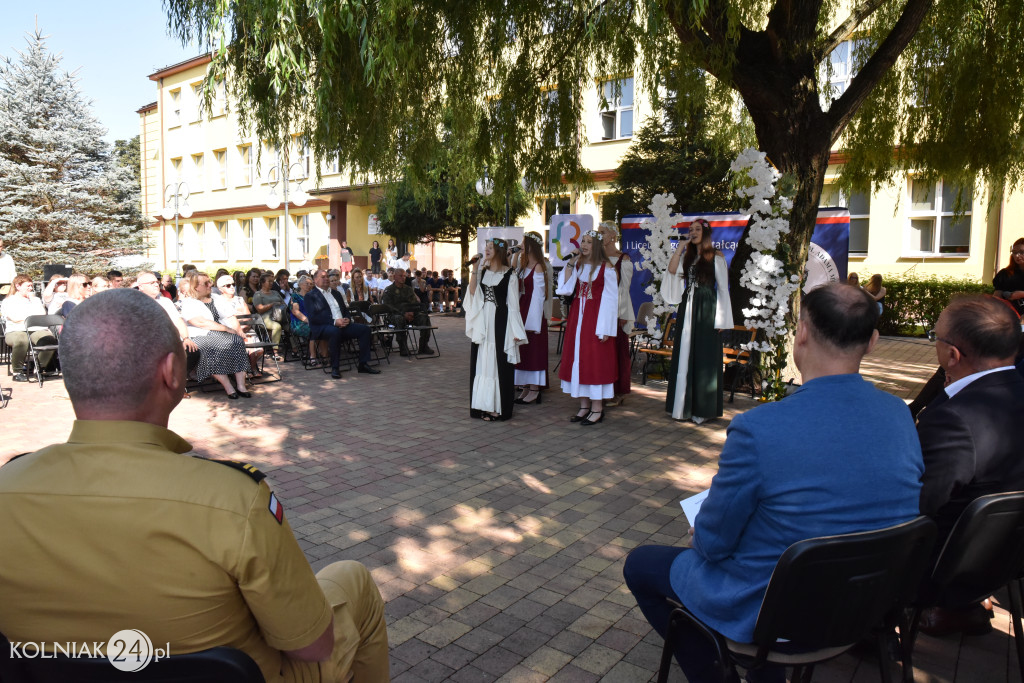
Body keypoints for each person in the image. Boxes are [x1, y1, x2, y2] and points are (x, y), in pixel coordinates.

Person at [0, 289, 389, 682]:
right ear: (171, 372)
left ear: (71, 375)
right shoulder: (233, 498)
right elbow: (312, 646)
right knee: (353, 580)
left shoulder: (7, 486)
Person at [624, 283, 923, 683]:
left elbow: (712, 544)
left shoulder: (759, 427)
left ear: (802, 333)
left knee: (640, 564)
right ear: (872, 341)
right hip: (862, 608)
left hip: (770, 615)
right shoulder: (899, 415)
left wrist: (705, 533)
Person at [915, 295, 1024, 636]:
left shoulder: (954, 418)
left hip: (946, 571)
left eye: (935, 337)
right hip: (1009, 559)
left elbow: (918, 504)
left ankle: (871, 631)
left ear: (952, 355)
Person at [661, 219, 733, 424]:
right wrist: (681, 247)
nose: (693, 232)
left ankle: (702, 408)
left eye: (697, 229)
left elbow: (722, 288)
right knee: (685, 351)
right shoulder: (689, 256)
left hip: (706, 307)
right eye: (691, 229)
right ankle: (682, 406)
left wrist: (722, 319)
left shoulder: (716, 256)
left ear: (706, 233)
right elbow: (672, 271)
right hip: (688, 306)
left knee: (703, 354)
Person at [557, 230, 618, 426]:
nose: (583, 245)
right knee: (578, 358)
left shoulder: (607, 267)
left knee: (594, 360)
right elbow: (565, 288)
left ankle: (597, 408)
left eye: (588, 242)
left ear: (596, 246)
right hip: (578, 316)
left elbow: (611, 299)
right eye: (583, 241)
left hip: (596, 317)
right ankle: (584, 406)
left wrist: (606, 328)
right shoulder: (579, 264)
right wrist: (570, 263)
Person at [465, 238, 526, 421]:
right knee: (483, 363)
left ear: (499, 251)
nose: (487, 249)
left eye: (491, 247)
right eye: (486, 247)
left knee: (497, 363)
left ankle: (497, 408)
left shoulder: (510, 275)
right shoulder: (482, 271)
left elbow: (513, 306)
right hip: (483, 322)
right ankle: (482, 405)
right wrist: (475, 268)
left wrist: (516, 330)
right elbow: (473, 293)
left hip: (500, 323)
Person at [178, 271, 252, 399]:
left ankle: (241, 386)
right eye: (206, 283)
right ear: (196, 287)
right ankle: (228, 387)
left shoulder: (217, 298)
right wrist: (225, 328)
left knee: (237, 341)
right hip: (201, 335)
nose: (210, 285)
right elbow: (199, 322)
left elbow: (230, 316)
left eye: (210, 282)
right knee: (215, 346)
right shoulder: (189, 302)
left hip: (222, 333)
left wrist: (239, 331)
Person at [306, 269, 381, 378]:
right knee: (335, 332)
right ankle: (335, 367)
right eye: (323, 277)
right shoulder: (311, 296)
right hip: (323, 327)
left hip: (342, 324)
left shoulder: (336, 293)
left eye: (327, 276)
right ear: (315, 280)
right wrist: (334, 322)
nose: (326, 279)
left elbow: (345, 310)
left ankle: (363, 364)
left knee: (365, 329)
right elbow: (314, 317)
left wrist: (347, 319)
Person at [134, 271, 201, 380]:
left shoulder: (166, 302)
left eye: (157, 282)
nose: (156, 285)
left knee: (192, 350)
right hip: (147, 343)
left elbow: (178, 321)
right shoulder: (134, 302)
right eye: (151, 283)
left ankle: (177, 381)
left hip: (169, 340)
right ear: (141, 286)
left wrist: (186, 338)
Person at [599, 220, 634, 406]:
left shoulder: (623, 259)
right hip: (600, 311)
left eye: (603, 232)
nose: (600, 236)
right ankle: (602, 388)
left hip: (616, 312)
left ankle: (618, 391)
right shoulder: (597, 258)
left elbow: (624, 290)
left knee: (618, 352)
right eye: (599, 233)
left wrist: (622, 314)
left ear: (613, 235)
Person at [513, 232, 550, 406]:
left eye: (523, 243)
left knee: (534, 350)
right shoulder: (523, 266)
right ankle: (525, 386)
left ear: (531, 246)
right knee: (523, 350)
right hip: (522, 309)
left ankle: (535, 389)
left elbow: (539, 296)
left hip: (532, 313)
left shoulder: (539, 267)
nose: (521, 245)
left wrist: (532, 322)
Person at [1, 274, 56, 381]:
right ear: (18, 286)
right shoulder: (9, 301)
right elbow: (15, 318)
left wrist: (33, 301)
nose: (31, 288)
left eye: (31, 286)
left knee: (49, 340)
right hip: (16, 329)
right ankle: (17, 372)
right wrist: (31, 317)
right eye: (28, 286)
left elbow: (42, 314)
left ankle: (39, 369)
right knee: (22, 340)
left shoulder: (35, 300)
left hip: (36, 328)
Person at [382, 268, 433, 356]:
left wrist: (412, 312)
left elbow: (414, 303)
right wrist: (403, 313)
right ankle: (403, 347)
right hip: (395, 315)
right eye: (401, 276)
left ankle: (424, 346)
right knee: (399, 319)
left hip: (410, 314)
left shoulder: (408, 289)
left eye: (404, 276)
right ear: (395, 277)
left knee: (424, 318)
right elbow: (388, 307)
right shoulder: (389, 290)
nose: (403, 278)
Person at [252, 273, 287, 361]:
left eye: (272, 281)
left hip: (279, 315)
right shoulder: (258, 294)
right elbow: (260, 309)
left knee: (290, 325)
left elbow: (284, 304)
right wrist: (272, 304)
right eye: (269, 281)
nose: (271, 283)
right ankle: (275, 351)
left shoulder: (275, 292)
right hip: (265, 317)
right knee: (276, 326)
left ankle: (295, 349)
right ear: (262, 283)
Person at [993, 237, 1024, 315]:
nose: (1017, 256)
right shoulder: (1004, 274)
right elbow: (996, 298)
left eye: (1022, 252)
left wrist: (1021, 294)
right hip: (1009, 316)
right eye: (1014, 252)